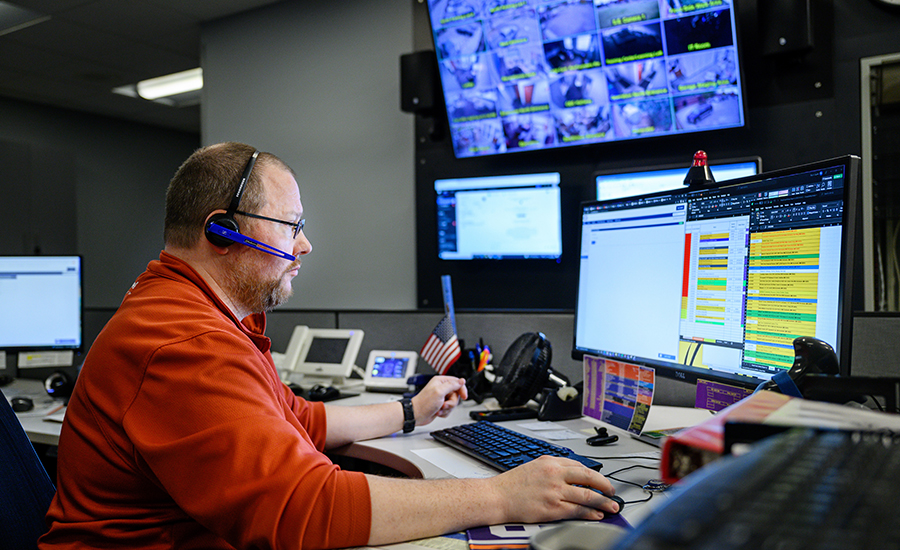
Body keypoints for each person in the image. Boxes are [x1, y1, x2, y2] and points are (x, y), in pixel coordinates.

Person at [39, 142, 619, 550]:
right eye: (291, 226)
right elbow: (299, 507)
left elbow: (299, 420)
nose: (306, 245)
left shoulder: (193, 312)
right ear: (222, 230)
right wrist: (501, 495)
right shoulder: (185, 341)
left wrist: (407, 413)